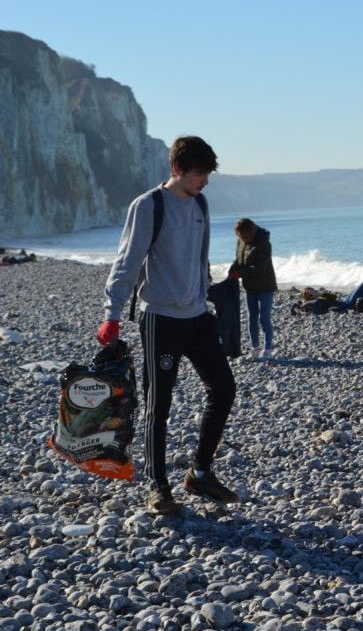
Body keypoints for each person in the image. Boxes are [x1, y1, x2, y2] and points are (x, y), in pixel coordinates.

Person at [98, 136, 239, 515]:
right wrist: (111, 314)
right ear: (177, 169)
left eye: (208, 173)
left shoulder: (201, 203)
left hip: (196, 315)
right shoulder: (149, 206)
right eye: (199, 173)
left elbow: (200, 256)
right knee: (159, 404)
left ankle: (200, 472)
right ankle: (157, 486)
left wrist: (208, 293)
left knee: (224, 388)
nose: (205, 180)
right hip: (161, 317)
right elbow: (127, 261)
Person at [230, 218, 277, 359]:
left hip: (266, 286)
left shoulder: (264, 243)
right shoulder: (241, 242)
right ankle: (255, 349)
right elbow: (238, 260)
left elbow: (260, 267)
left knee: (264, 318)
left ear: (252, 232)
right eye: (241, 237)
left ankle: (267, 349)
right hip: (250, 287)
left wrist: (240, 273)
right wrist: (232, 270)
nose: (243, 239)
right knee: (252, 318)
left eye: (245, 237)